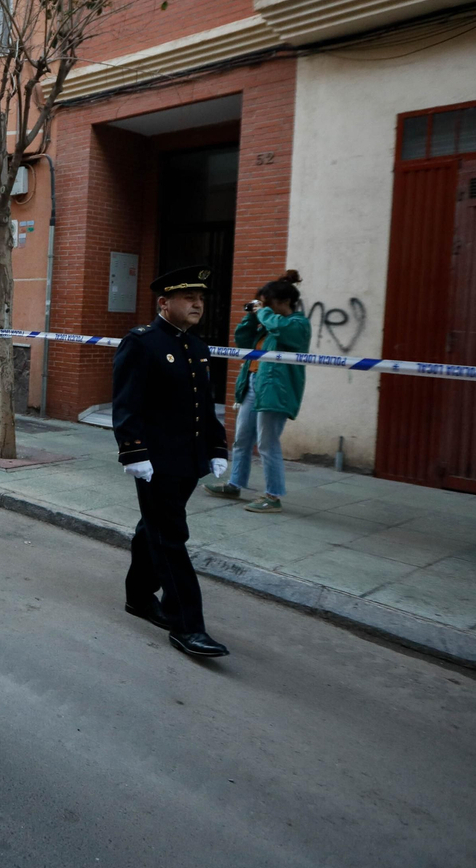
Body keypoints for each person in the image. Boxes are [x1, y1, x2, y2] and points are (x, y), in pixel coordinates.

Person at [113, 265, 232, 659]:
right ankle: (188, 626)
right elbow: (126, 404)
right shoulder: (142, 343)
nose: (198, 304)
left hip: (189, 461)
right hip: (156, 462)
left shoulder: (197, 347)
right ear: (165, 303)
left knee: (154, 529)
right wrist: (133, 451)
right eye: (188, 298)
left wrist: (216, 448)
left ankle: (138, 596)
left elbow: (204, 406)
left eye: (201, 298)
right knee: (171, 538)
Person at [205, 270, 310, 513]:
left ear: (283, 303)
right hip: (253, 383)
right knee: (242, 439)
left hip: (276, 389)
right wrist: (252, 318)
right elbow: (242, 340)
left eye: (268, 303)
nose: (263, 307)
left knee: (267, 443)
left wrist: (262, 313)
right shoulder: (266, 325)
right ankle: (235, 483)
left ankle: (273, 496)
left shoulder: (298, 324)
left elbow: (283, 331)